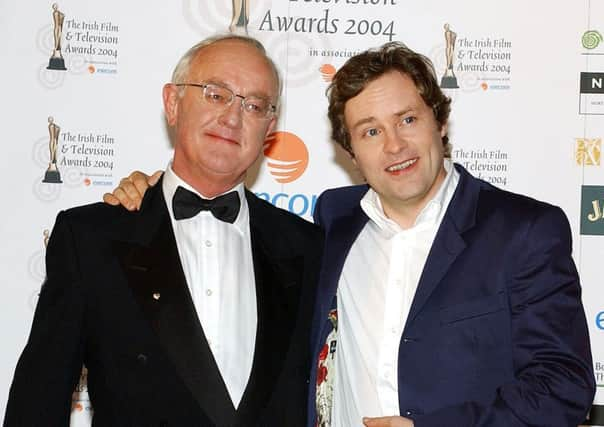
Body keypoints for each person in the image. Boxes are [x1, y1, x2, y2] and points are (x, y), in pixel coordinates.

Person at [104, 42, 596, 426]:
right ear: (350, 152)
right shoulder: (331, 224)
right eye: (370, 131)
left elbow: (564, 385)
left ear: (440, 123)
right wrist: (154, 195)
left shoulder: (523, 230)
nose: (395, 145)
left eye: (407, 119)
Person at [5, 35, 322, 427]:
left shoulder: (308, 248)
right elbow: (38, 402)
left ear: (269, 129)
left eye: (254, 105)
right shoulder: (91, 238)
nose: (232, 117)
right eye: (215, 94)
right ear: (173, 104)